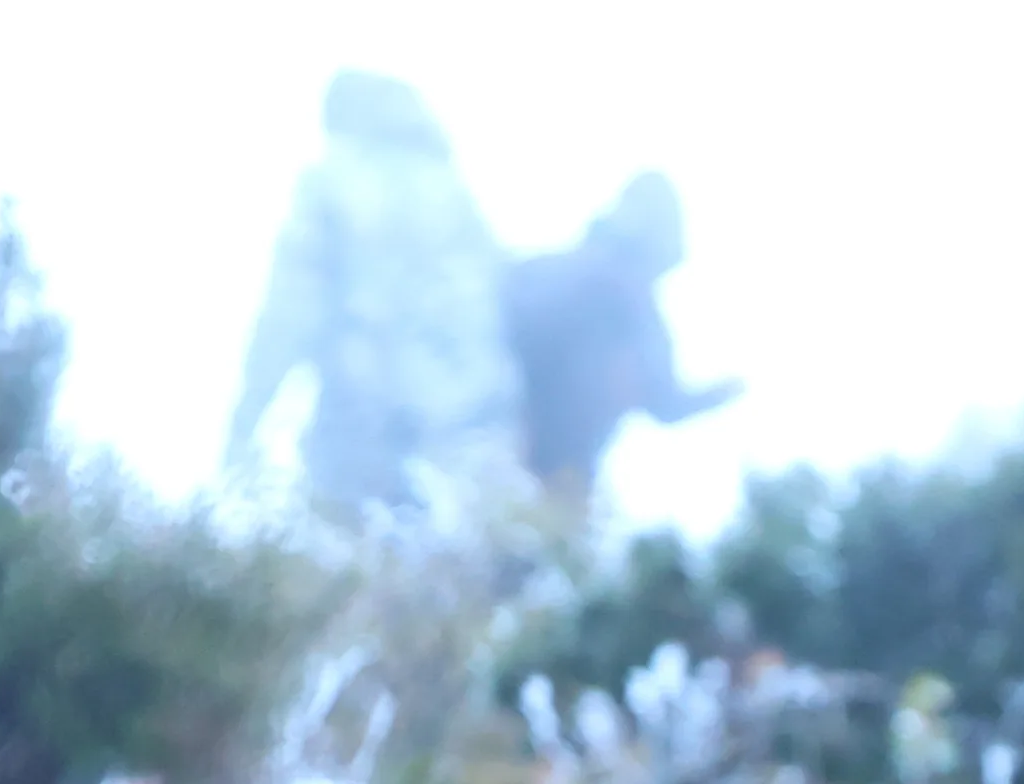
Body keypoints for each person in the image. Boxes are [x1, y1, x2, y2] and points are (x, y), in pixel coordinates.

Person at [227, 72, 518, 511]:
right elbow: (499, 307)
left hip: (362, 419)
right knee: (463, 541)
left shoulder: (332, 180)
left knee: (349, 544)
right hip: (468, 424)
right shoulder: (454, 193)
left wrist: (245, 422)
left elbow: (290, 309)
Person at [502, 172, 742, 497]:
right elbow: (664, 402)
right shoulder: (632, 305)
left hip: (542, 459)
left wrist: (716, 395)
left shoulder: (546, 269)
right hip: (541, 459)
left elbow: (663, 401)